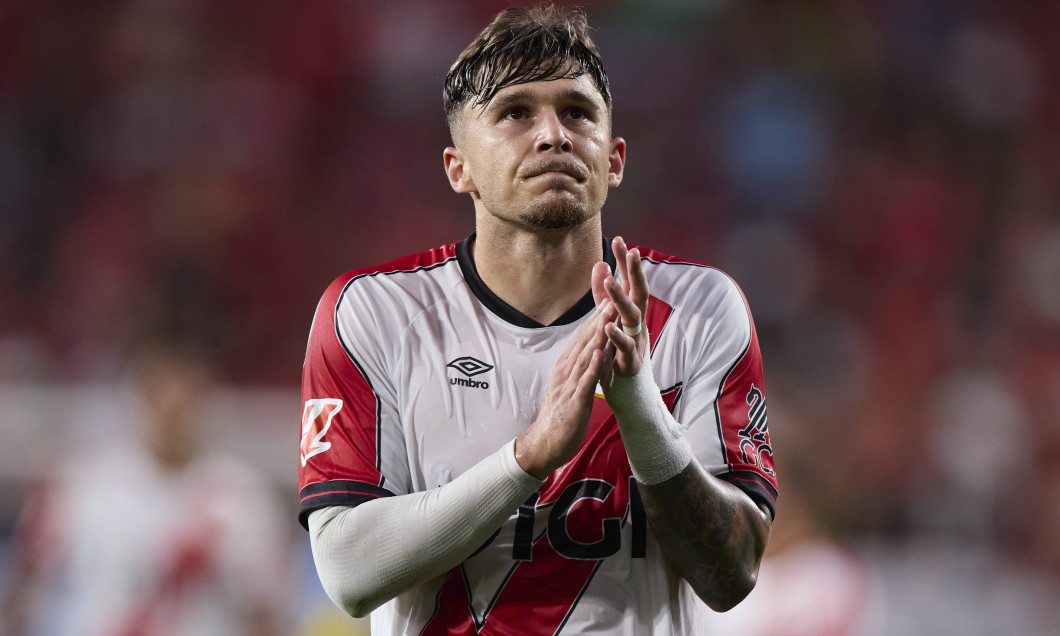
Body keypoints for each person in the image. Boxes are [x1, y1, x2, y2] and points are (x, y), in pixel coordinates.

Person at [299, 6, 777, 635]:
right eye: (515, 113)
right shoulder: (375, 313)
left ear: (614, 159)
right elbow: (347, 572)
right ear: (458, 168)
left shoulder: (701, 309)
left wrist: (641, 412)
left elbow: (731, 574)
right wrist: (527, 459)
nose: (553, 135)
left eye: (577, 112)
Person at [1, 343, 289, 636]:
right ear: (138, 400)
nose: (172, 416)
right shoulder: (80, 483)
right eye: (159, 399)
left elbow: (262, 610)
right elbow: (25, 582)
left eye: (184, 402)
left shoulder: (241, 495)